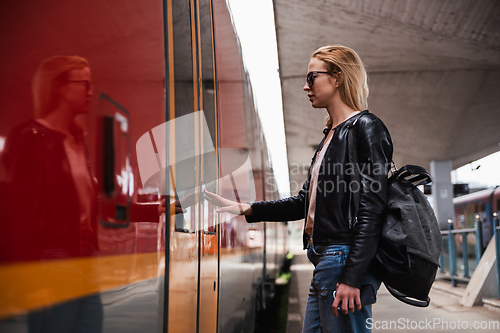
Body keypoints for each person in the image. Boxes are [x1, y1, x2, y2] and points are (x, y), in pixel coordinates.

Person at [205, 45, 393, 332]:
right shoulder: (330, 137)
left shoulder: (366, 127)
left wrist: (353, 275)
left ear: (338, 77)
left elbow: (373, 208)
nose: (306, 86)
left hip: (342, 259)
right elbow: (303, 202)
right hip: (324, 260)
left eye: (312, 77)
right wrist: (247, 208)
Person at [1, 55, 103, 332]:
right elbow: (16, 214)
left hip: (85, 258)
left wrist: (150, 210)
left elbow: (87, 203)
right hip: (54, 262)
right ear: (59, 87)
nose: (91, 91)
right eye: (85, 84)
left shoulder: (77, 140)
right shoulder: (29, 137)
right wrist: (30, 280)